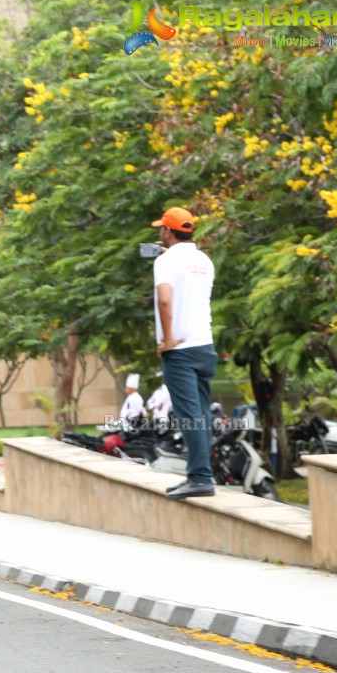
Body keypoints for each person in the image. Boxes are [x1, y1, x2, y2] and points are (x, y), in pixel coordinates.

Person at [150, 206, 217, 499]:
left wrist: (167, 340)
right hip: (205, 346)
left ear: (167, 231)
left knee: (189, 416)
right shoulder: (204, 260)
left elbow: (165, 301)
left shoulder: (165, 263)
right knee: (200, 414)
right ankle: (203, 473)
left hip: (181, 351)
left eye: (161, 228)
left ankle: (201, 478)